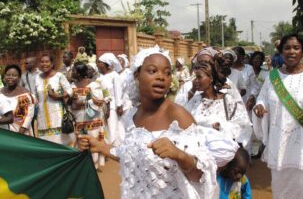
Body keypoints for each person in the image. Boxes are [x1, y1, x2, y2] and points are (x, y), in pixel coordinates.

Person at [78, 46, 222, 198]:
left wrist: (179, 155)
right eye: (153, 71)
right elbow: (131, 156)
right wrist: (100, 146)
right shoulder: (132, 116)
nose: (161, 77)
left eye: (167, 73)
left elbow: (202, 174)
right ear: (137, 75)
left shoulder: (178, 115)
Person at [253, 33, 303, 199]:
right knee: (283, 190)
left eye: (296, 48)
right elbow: (263, 100)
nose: (291, 51)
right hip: (280, 148)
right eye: (287, 48)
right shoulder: (272, 78)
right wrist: (260, 108)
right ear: (281, 52)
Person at [184, 60, 252, 148]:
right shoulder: (195, 100)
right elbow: (184, 123)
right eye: (195, 77)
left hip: (223, 150)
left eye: (199, 77)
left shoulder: (227, 100)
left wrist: (222, 127)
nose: (195, 81)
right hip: (198, 149)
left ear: (211, 79)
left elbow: (244, 125)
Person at [70, 61, 105, 168]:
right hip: (78, 119)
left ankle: (93, 165)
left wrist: (84, 102)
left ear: (79, 72)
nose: (72, 73)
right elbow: (68, 103)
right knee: (81, 141)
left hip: (92, 119)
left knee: (93, 140)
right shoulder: (71, 85)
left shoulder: (94, 85)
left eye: (74, 71)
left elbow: (100, 101)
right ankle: (83, 164)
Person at [35, 54, 74, 145]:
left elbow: (70, 90)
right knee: (46, 143)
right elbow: (35, 95)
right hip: (42, 116)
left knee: (60, 143)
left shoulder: (59, 76)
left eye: (47, 62)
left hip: (58, 115)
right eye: (42, 62)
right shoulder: (37, 77)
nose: (44, 64)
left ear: (52, 64)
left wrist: (58, 96)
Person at [97, 52, 124, 146]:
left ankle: (114, 147)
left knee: (112, 126)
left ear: (106, 64)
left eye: (100, 62)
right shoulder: (99, 76)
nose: (98, 64)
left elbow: (118, 91)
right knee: (104, 128)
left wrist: (119, 105)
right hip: (101, 105)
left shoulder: (114, 75)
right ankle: (107, 145)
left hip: (112, 106)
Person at [0, 65, 36, 135]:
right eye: (8, 75)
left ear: (19, 78)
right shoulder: (0, 93)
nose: (10, 77)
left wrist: (18, 137)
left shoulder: (26, 96)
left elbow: (27, 120)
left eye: (14, 75)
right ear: (4, 76)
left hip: (20, 136)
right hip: (3, 135)